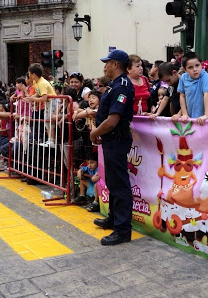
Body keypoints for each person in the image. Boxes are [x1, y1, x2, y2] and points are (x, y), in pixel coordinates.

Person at [90, 49, 134, 246]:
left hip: (116, 139)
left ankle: (122, 229)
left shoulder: (122, 87)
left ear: (116, 64)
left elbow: (113, 119)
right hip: (110, 140)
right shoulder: (114, 85)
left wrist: (94, 133)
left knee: (120, 185)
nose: (105, 66)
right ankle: (114, 219)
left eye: (107, 63)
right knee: (113, 182)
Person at [172, 52, 208, 125]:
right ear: (185, 69)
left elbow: (207, 95)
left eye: (197, 65)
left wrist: (206, 115)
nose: (195, 69)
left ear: (201, 64)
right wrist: (184, 114)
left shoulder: (205, 77)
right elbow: (182, 96)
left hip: (203, 120)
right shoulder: (183, 78)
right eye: (190, 67)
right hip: (189, 119)